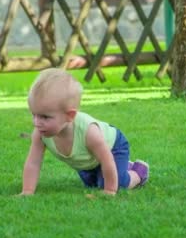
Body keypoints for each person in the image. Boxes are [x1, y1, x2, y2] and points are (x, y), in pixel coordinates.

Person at [19, 68, 149, 196]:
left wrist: (109, 190)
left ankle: (138, 172)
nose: (36, 122)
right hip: (89, 160)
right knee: (91, 184)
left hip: (112, 148)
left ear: (69, 116)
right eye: (34, 115)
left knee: (116, 183)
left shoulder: (89, 132)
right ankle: (121, 167)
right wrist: (27, 191)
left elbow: (106, 159)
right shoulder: (40, 133)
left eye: (45, 117)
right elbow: (33, 162)